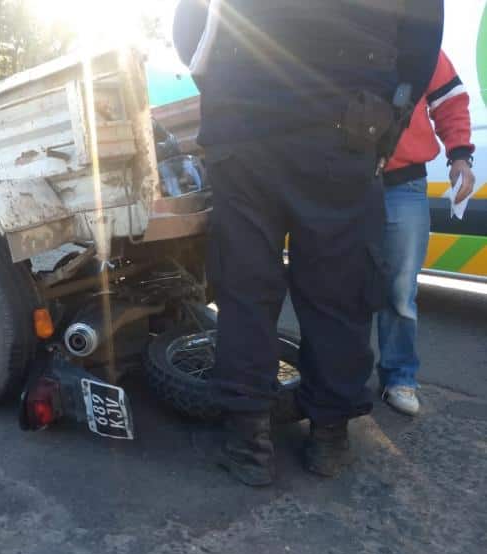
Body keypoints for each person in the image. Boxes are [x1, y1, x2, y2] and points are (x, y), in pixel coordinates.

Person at [173, 0, 444, 485]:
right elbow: (421, 45)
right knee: (337, 286)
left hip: (245, 124)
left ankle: (247, 440)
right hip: (344, 127)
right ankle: (329, 435)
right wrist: (386, 122)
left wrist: (223, 94)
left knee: (246, 285)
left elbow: (189, 25)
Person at [378, 50, 475, 416]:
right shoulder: (343, 27)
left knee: (401, 290)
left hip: (403, 182)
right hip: (344, 182)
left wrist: (460, 157)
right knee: (342, 286)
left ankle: (398, 377)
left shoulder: (418, 39)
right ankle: (342, 378)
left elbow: (450, 100)